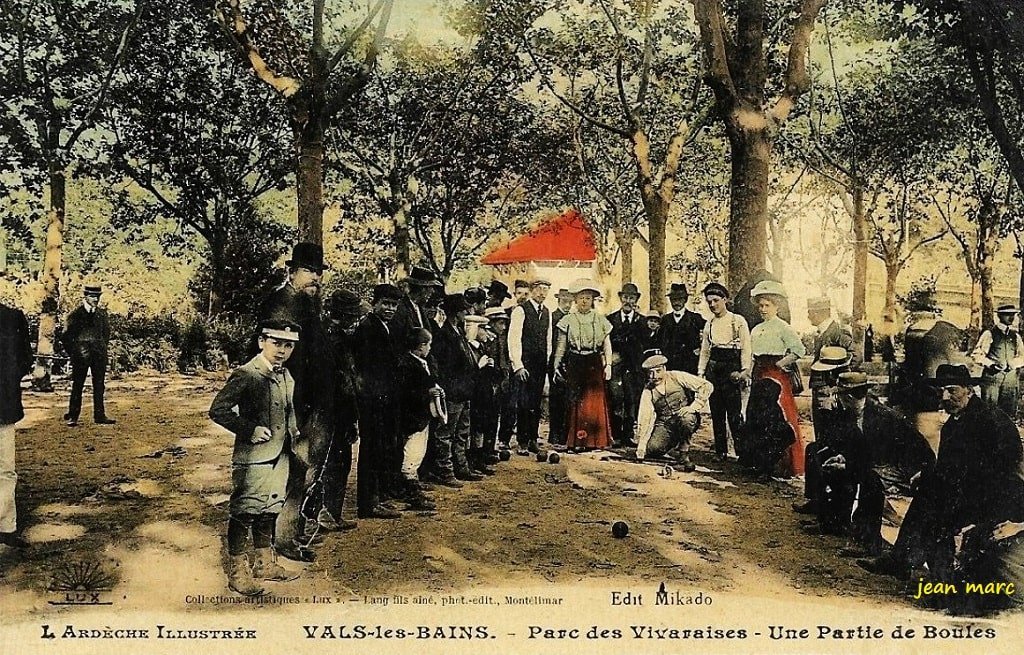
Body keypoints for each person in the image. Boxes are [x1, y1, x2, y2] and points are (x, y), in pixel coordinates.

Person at [858, 365, 1024, 586]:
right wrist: (929, 476)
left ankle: (925, 572)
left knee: (936, 507)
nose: (945, 397)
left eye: (952, 390)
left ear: (969, 390)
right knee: (928, 492)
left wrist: (941, 482)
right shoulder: (954, 425)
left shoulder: (990, 422)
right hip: (971, 491)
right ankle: (911, 564)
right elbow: (950, 467)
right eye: (942, 391)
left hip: (997, 497)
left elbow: (1002, 472)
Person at [209, 320, 303, 596]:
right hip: (255, 458)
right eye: (276, 343)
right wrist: (248, 429)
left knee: (270, 508)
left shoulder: (286, 375)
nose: (282, 351)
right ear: (262, 342)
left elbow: (287, 409)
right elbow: (218, 410)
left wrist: (293, 430)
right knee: (245, 511)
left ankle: (264, 563)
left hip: (280, 454)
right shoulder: (247, 374)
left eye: (288, 346)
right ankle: (237, 571)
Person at [257, 243, 332, 559]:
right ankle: (282, 539)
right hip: (286, 399)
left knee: (302, 469)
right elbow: (274, 358)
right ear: (291, 272)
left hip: (308, 397)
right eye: (308, 271)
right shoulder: (280, 303)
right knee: (287, 469)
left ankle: (290, 533)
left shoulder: (306, 302)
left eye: (317, 272)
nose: (314, 277)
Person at [305, 289, 364, 533]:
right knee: (334, 463)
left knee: (329, 462)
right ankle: (322, 513)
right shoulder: (335, 340)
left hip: (332, 408)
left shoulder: (328, 334)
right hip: (334, 409)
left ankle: (321, 513)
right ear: (347, 315)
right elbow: (342, 382)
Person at [352, 284, 404, 519]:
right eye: (386, 304)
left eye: (394, 305)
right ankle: (368, 503)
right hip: (373, 399)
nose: (390, 309)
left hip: (384, 398)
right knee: (371, 450)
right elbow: (367, 369)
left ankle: (377, 497)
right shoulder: (368, 328)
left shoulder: (385, 327)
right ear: (375, 303)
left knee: (380, 449)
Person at [748, 280, 806, 476]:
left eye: (767, 305)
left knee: (779, 416)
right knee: (758, 417)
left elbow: (799, 349)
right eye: (760, 305)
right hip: (759, 373)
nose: (763, 309)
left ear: (777, 306)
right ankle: (760, 462)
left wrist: (781, 364)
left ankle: (782, 465)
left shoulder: (783, 327)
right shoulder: (756, 329)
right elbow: (751, 354)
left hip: (776, 377)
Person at [552, 279, 614, 450]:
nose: (584, 301)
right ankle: (577, 441)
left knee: (593, 401)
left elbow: (607, 344)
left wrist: (608, 365)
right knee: (576, 400)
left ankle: (596, 441)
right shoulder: (568, 320)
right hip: (575, 361)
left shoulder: (600, 319)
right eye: (581, 298)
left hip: (593, 362)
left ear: (593, 300)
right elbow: (561, 345)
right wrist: (556, 366)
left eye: (588, 298)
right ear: (575, 300)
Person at [431, 294, 485, 482]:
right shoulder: (444, 335)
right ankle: (445, 470)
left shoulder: (459, 332)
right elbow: (444, 366)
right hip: (453, 391)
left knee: (462, 432)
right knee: (446, 433)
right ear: (455, 312)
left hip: (463, 390)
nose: (467, 313)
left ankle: (461, 467)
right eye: (464, 310)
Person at [795, 346, 852, 515]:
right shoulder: (828, 388)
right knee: (813, 449)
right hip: (836, 437)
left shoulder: (847, 386)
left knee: (820, 453)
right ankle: (815, 500)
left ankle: (827, 505)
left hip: (850, 443)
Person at [697, 282, 751, 461]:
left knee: (734, 413)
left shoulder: (738, 321)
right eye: (709, 302)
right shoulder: (710, 323)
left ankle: (742, 452)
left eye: (716, 301)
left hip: (732, 369)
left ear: (725, 300)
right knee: (717, 411)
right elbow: (705, 350)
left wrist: (744, 370)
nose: (712, 305)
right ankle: (720, 451)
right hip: (714, 369)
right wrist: (701, 373)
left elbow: (746, 347)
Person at [634, 352, 713, 471]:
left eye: (658, 371)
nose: (654, 376)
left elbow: (706, 386)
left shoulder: (676, 376)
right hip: (665, 423)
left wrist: (694, 407)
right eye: (650, 373)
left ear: (664, 369)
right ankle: (672, 441)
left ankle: (683, 452)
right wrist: (641, 446)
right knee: (653, 449)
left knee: (686, 420)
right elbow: (645, 417)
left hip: (686, 416)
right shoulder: (648, 391)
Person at [394, 328, 441, 512]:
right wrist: (426, 393)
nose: (430, 348)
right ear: (421, 346)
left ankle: (412, 487)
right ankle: (411, 493)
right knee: (411, 453)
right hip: (412, 416)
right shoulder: (407, 365)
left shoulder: (421, 362)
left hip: (422, 415)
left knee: (418, 450)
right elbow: (406, 392)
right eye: (428, 344)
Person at [0, 299, 33, 548]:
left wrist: (8, 382)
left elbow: (25, 359)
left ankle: (6, 527)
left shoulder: (13, 317)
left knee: (6, 468)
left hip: (4, 405)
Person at [508, 280, 551, 454]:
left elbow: (548, 339)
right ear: (532, 291)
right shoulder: (521, 310)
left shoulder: (546, 312)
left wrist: (547, 362)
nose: (542, 293)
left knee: (536, 402)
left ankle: (533, 438)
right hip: (525, 363)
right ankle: (523, 441)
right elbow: (514, 339)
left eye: (545, 290)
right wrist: (517, 365)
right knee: (524, 402)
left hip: (540, 364)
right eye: (539, 289)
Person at [62, 285, 115, 427]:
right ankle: (73, 416)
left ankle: (100, 415)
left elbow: (106, 334)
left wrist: (101, 348)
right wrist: (74, 354)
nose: (96, 299)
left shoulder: (102, 314)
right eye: (92, 296)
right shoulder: (75, 315)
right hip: (80, 355)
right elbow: (66, 337)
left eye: (98, 296)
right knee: (77, 385)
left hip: (99, 355)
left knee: (99, 385)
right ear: (85, 296)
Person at [608, 283, 646, 446]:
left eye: (631, 298)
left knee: (632, 399)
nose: (628, 301)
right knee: (616, 397)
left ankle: (628, 435)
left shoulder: (643, 321)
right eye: (625, 297)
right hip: (616, 366)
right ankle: (615, 435)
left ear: (636, 300)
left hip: (634, 367)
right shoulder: (610, 320)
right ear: (620, 298)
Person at [734, 379, 795, 478]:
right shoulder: (757, 407)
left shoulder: (772, 409)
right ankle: (758, 466)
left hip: (771, 439)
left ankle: (766, 469)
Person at [972, 304, 1024, 418]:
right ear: (1000, 316)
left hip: (1010, 381)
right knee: (989, 412)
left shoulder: (1015, 336)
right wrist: (990, 364)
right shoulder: (989, 334)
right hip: (992, 381)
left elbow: (1022, 356)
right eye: (1007, 315)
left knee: (1008, 414)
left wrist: (1013, 364)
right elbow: (977, 354)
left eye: (1013, 315)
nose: (1011, 318)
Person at [659, 283, 706, 374]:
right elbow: (660, 341)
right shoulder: (665, 319)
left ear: (685, 300)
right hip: (670, 365)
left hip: (690, 364)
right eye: (673, 300)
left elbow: (709, 332)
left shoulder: (695, 318)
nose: (676, 303)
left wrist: (701, 348)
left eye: (680, 299)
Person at [548, 289, 574, 446]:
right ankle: (554, 433)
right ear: (558, 301)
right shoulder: (552, 317)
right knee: (556, 398)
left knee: (568, 398)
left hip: (570, 361)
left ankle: (565, 433)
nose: (567, 305)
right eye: (564, 302)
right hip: (555, 360)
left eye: (570, 302)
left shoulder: (572, 318)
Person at [390, 266, 442, 342]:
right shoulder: (401, 309)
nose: (432, 291)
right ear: (422, 289)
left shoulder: (420, 309)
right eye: (430, 287)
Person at [807, 297, 856, 368]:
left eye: (809, 313)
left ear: (816, 314)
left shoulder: (839, 333)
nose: (808, 317)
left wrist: (839, 376)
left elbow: (854, 357)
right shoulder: (821, 333)